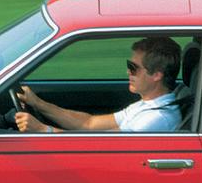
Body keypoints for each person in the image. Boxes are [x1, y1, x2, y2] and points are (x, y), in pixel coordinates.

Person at [15, 36, 182, 133]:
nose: (128, 72)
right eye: (128, 66)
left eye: (133, 68)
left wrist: (43, 130)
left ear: (156, 75)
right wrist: (38, 103)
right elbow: (89, 123)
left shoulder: (155, 119)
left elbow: (100, 147)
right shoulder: (145, 106)